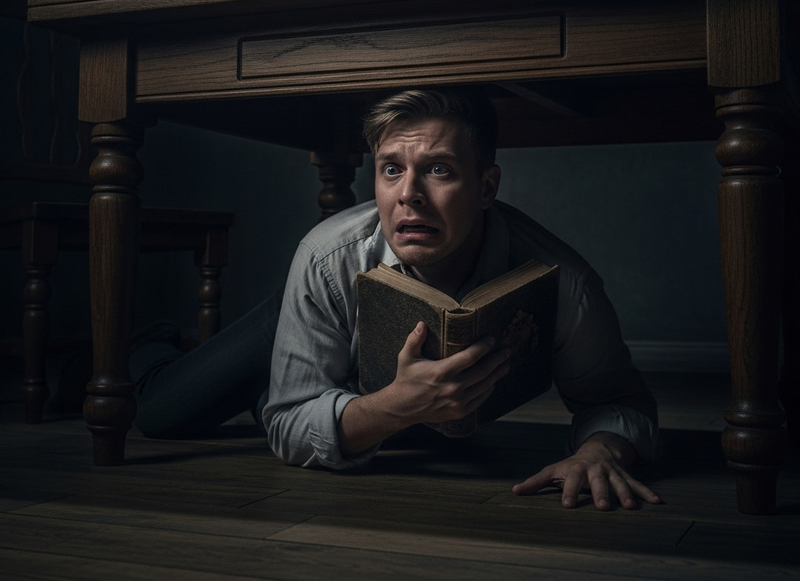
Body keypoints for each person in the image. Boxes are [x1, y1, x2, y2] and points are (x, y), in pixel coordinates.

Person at [131, 88, 661, 511]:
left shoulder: (565, 282)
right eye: (391, 169)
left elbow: (620, 401)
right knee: (159, 414)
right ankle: (146, 343)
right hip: (315, 313)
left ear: (487, 186)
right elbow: (288, 428)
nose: (408, 193)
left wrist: (600, 451)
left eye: (439, 169)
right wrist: (393, 408)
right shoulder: (324, 259)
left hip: (353, 374)